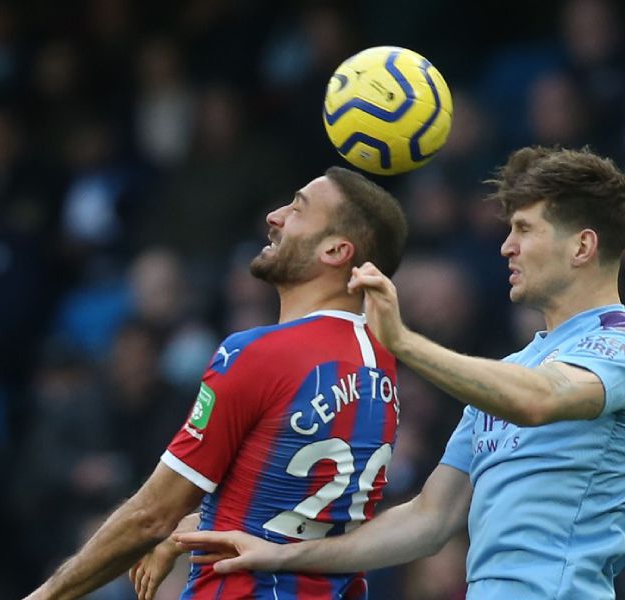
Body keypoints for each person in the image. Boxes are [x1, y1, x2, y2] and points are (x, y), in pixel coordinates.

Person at [175, 146, 625, 599]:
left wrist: (404, 343)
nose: (507, 247)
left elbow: (539, 401)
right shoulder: (508, 372)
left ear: (582, 247)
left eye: (524, 229)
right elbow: (428, 519)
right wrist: (279, 554)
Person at [23, 166, 409, 600]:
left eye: (297, 209)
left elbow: (152, 513)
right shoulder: (382, 367)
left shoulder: (259, 354)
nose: (274, 216)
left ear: (336, 250)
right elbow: (289, 509)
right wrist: (188, 531)